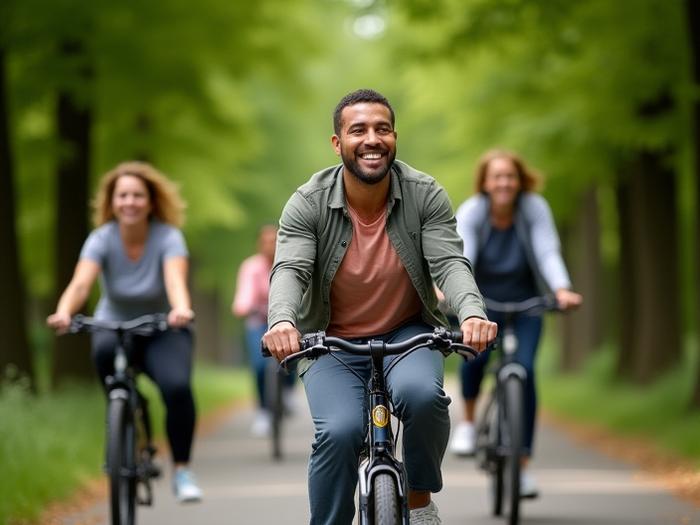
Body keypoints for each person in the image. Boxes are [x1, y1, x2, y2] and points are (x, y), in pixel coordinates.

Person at [262, 88, 497, 525]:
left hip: (407, 332)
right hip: (329, 340)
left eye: (382, 129)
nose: (372, 139)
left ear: (394, 137)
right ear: (338, 143)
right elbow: (290, 269)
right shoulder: (307, 201)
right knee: (339, 432)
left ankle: (420, 501)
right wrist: (281, 322)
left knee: (424, 396)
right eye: (358, 130)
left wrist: (472, 314)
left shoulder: (424, 193)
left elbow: (449, 262)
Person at [46, 161, 203, 503]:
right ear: (111, 202)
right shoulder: (101, 238)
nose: (129, 202)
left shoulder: (168, 236)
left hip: (162, 326)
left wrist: (180, 309)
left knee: (177, 388)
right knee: (104, 359)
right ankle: (126, 414)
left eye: (137, 196)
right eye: (122, 196)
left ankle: (182, 470)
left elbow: (175, 280)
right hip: (113, 324)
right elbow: (81, 283)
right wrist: (63, 312)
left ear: (150, 201)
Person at [449, 149, 583, 498]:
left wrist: (561, 289)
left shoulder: (533, 209)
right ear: (485, 182)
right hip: (482, 303)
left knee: (524, 372)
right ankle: (467, 423)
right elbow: (464, 256)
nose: (504, 183)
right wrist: (453, 294)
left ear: (520, 180)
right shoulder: (474, 211)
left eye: (510, 176)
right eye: (497, 177)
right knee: (473, 355)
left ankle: (522, 466)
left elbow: (547, 250)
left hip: (527, 304)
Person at [232, 224, 295, 436]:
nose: (272, 245)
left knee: (293, 353)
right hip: (258, 322)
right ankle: (263, 411)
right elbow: (244, 295)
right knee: (260, 366)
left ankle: (287, 391)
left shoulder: (290, 263)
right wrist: (243, 306)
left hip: (287, 321)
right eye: (267, 241)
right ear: (259, 244)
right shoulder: (251, 267)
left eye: (276, 240)